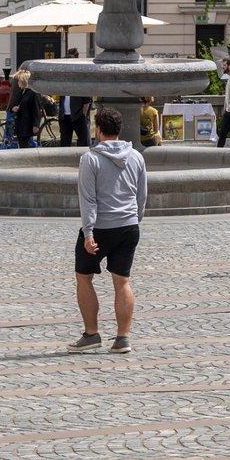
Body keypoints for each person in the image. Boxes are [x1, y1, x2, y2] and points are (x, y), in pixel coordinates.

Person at [68, 106, 146, 356]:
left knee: (84, 277)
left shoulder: (90, 159)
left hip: (100, 228)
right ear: (119, 129)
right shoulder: (136, 156)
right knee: (122, 281)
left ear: (98, 130)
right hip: (128, 226)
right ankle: (123, 338)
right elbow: (142, 194)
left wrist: (88, 232)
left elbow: (88, 199)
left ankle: (91, 334)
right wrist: (135, 219)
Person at [59, 49, 92, 147]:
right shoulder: (63, 80)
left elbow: (87, 99)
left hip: (78, 116)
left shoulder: (80, 79)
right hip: (65, 117)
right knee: (64, 143)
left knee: (84, 142)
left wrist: (83, 114)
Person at [13, 68, 42, 148]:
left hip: (27, 125)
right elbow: (16, 104)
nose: (17, 82)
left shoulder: (33, 93)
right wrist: (14, 108)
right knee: (21, 145)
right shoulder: (21, 92)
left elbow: (36, 109)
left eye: (19, 80)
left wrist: (36, 125)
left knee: (25, 146)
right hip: (20, 124)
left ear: (24, 81)